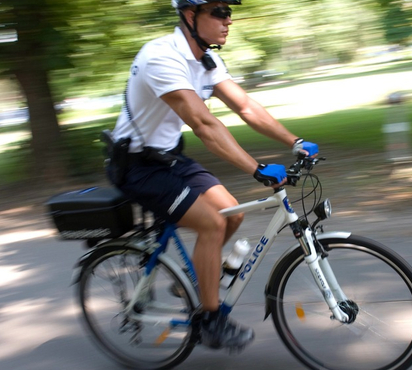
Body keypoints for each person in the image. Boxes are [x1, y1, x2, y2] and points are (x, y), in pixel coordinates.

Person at [109, 0, 318, 352]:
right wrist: (256, 167)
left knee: (230, 211)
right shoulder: (161, 56)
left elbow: (246, 106)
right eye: (218, 12)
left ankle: (195, 282)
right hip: (136, 166)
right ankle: (209, 320)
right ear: (191, 16)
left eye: (228, 12)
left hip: (168, 156)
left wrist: (293, 141)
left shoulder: (206, 59)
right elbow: (204, 123)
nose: (228, 20)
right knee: (211, 224)